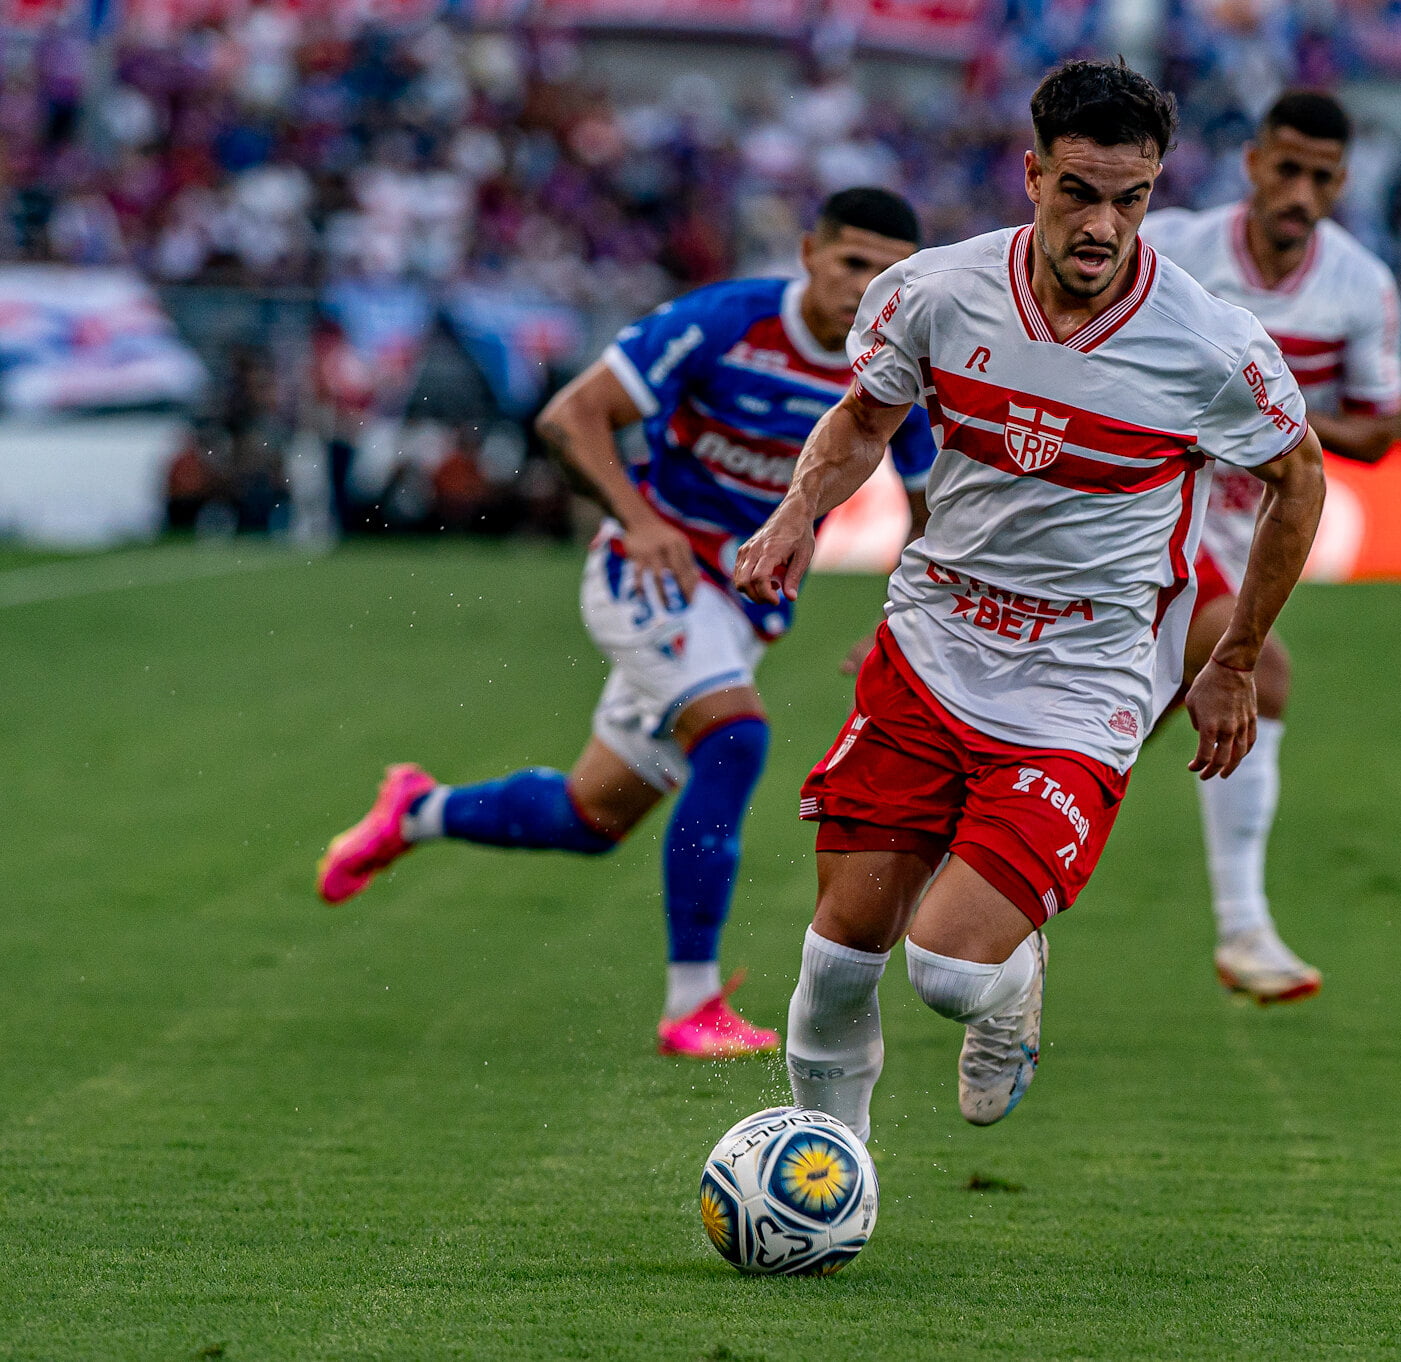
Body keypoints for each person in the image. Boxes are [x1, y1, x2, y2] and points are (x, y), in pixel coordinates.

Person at [732, 59, 1327, 1141]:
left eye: (1130, 198)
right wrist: (791, 515)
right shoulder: (936, 290)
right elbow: (865, 419)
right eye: (1078, 192)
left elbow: (1300, 476)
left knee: (948, 975)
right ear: (1031, 175)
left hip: (1078, 684)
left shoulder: (1207, 343)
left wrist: (1233, 656)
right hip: (927, 650)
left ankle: (1010, 987)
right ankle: (833, 1183)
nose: (1102, 224)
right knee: (831, 966)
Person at [316, 189, 938, 1055]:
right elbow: (571, 417)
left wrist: (911, 622)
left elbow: (928, 504)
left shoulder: (891, 362)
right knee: (735, 737)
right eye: (852, 265)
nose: (868, 287)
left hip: (740, 611)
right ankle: (692, 1005)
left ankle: (416, 810)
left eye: (890, 273)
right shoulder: (724, 321)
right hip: (650, 569)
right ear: (807, 254)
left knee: (592, 816)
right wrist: (640, 521)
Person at [1141, 90, 1401, 1004]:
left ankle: (1010, 855)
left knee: (1127, 718)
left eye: (1321, 177)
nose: (1299, 190)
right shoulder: (1173, 247)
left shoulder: (1359, 283)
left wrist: (1265, 419)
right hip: (1151, 500)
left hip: (1240, 516)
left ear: (1342, 183)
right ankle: (1242, 928)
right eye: (1285, 167)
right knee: (1250, 668)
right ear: (1252, 162)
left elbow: (1377, 431)